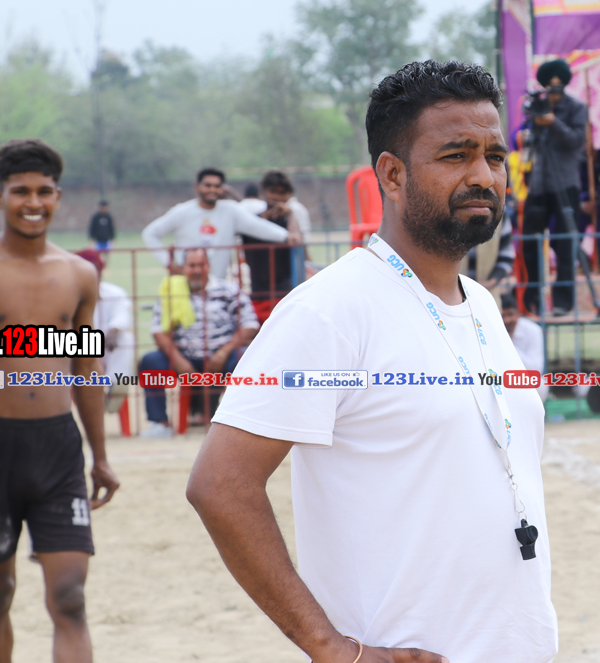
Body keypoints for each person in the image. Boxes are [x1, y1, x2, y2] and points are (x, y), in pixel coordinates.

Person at [187, 60, 557, 663]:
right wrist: (330, 648)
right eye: (456, 155)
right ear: (392, 174)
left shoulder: (483, 306)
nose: (483, 175)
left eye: (494, 156)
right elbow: (219, 484)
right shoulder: (330, 309)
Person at [0, 138, 119, 662]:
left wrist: (101, 456)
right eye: (20, 192)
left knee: (70, 598)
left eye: (43, 191)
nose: (32, 202)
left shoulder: (79, 274)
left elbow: (87, 369)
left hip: (59, 448)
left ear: (57, 196)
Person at [138, 248, 259, 437]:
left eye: (201, 265)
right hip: (184, 357)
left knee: (245, 359)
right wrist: (178, 360)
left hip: (223, 356)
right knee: (150, 361)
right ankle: (160, 424)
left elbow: (250, 324)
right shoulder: (171, 291)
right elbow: (158, 330)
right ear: (183, 268)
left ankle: (243, 422)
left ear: (209, 266)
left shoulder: (228, 290)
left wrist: (223, 352)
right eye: (191, 265)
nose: (196, 270)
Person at [142, 167, 299, 280]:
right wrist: (169, 264)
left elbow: (257, 226)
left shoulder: (230, 211)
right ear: (197, 187)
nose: (213, 189)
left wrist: (285, 236)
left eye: (217, 186)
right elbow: (150, 233)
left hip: (218, 286)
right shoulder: (182, 211)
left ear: (222, 189)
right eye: (208, 185)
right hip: (187, 283)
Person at [520, 58, 588, 315]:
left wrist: (553, 123)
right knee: (531, 243)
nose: (554, 93)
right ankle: (533, 298)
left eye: (558, 87)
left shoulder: (577, 108)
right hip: (538, 184)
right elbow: (525, 140)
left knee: (565, 244)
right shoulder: (538, 106)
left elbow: (576, 141)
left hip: (566, 183)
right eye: (550, 87)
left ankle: (563, 301)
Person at [76, 249, 135, 413]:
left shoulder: (115, 293)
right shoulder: (65, 295)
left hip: (106, 346)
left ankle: (117, 384)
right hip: (76, 351)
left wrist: (113, 330)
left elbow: (122, 316)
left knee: (125, 338)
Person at [242, 171, 305, 322]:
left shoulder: (288, 220)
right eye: (272, 191)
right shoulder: (252, 221)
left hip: (283, 288)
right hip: (258, 288)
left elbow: (296, 239)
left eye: (281, 193)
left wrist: (290, 214)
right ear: (263, 191)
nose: (276, 196)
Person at [500, 292, 548, 401]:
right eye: (502, 316)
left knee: (540, 385)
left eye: (510, 314)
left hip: (521, 379)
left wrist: (507, 344)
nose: (506, 320)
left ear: (518, 313)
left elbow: (536, 369)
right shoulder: (488, 330)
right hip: (498, 379)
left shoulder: (533, 331)